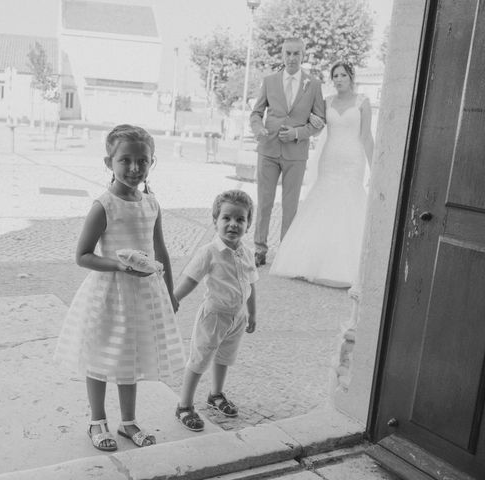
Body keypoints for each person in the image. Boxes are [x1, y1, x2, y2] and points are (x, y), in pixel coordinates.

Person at [54, 124, 185, 451]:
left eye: (142, 160)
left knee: (131, 357)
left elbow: (160, 250)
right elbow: (82, 256)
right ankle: (97, 421)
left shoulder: (151, 203)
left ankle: (128, 422)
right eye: (125, 160)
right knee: (100, 357)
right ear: (108, 162)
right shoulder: (104, 205)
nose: (134, 168)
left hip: (142, 296)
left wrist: (169, 291)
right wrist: (119, 265)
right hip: (109, 294)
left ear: (151, 162)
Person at [269, 61, 374, 288]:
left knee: (349, 202)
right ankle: (308, 262)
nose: (338, 80)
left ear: (351, 77)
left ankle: (344, 267)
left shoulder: (363, 102)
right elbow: (314, 126)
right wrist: (298, 127)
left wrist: (374, 166)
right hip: (330, 157)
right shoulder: (326, 102)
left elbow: (366, 136)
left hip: (353, 159)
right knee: (323, 201)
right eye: (335, 76)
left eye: (343, 75)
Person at [173, 190, 258, 432]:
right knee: (199, 359)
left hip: (238, 317)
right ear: (215, 221)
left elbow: (252, 284)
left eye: (240, 219)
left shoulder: (247, 253)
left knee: (224, 358)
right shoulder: (208, 252)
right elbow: (191, 279)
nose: (233, 224)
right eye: (227, 218)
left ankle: (216, 394)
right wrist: (174, 300)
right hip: (213, 316)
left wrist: (252, 313)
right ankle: (184, 406)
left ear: (248, 224)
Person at [249, 37, 326, 267]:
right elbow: (256, 113)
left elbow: (320, 120)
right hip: (268, 149)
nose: (292, 58)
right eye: (288, 53)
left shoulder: (313, 84)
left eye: (296, 54)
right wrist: (258, 128)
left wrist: (297, 133)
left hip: (296, 153)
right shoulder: (269, 81)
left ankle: (286, 252)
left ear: (304, 56)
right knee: (264, 202)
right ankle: (259, 249)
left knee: (290, 205)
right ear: (282, 55)